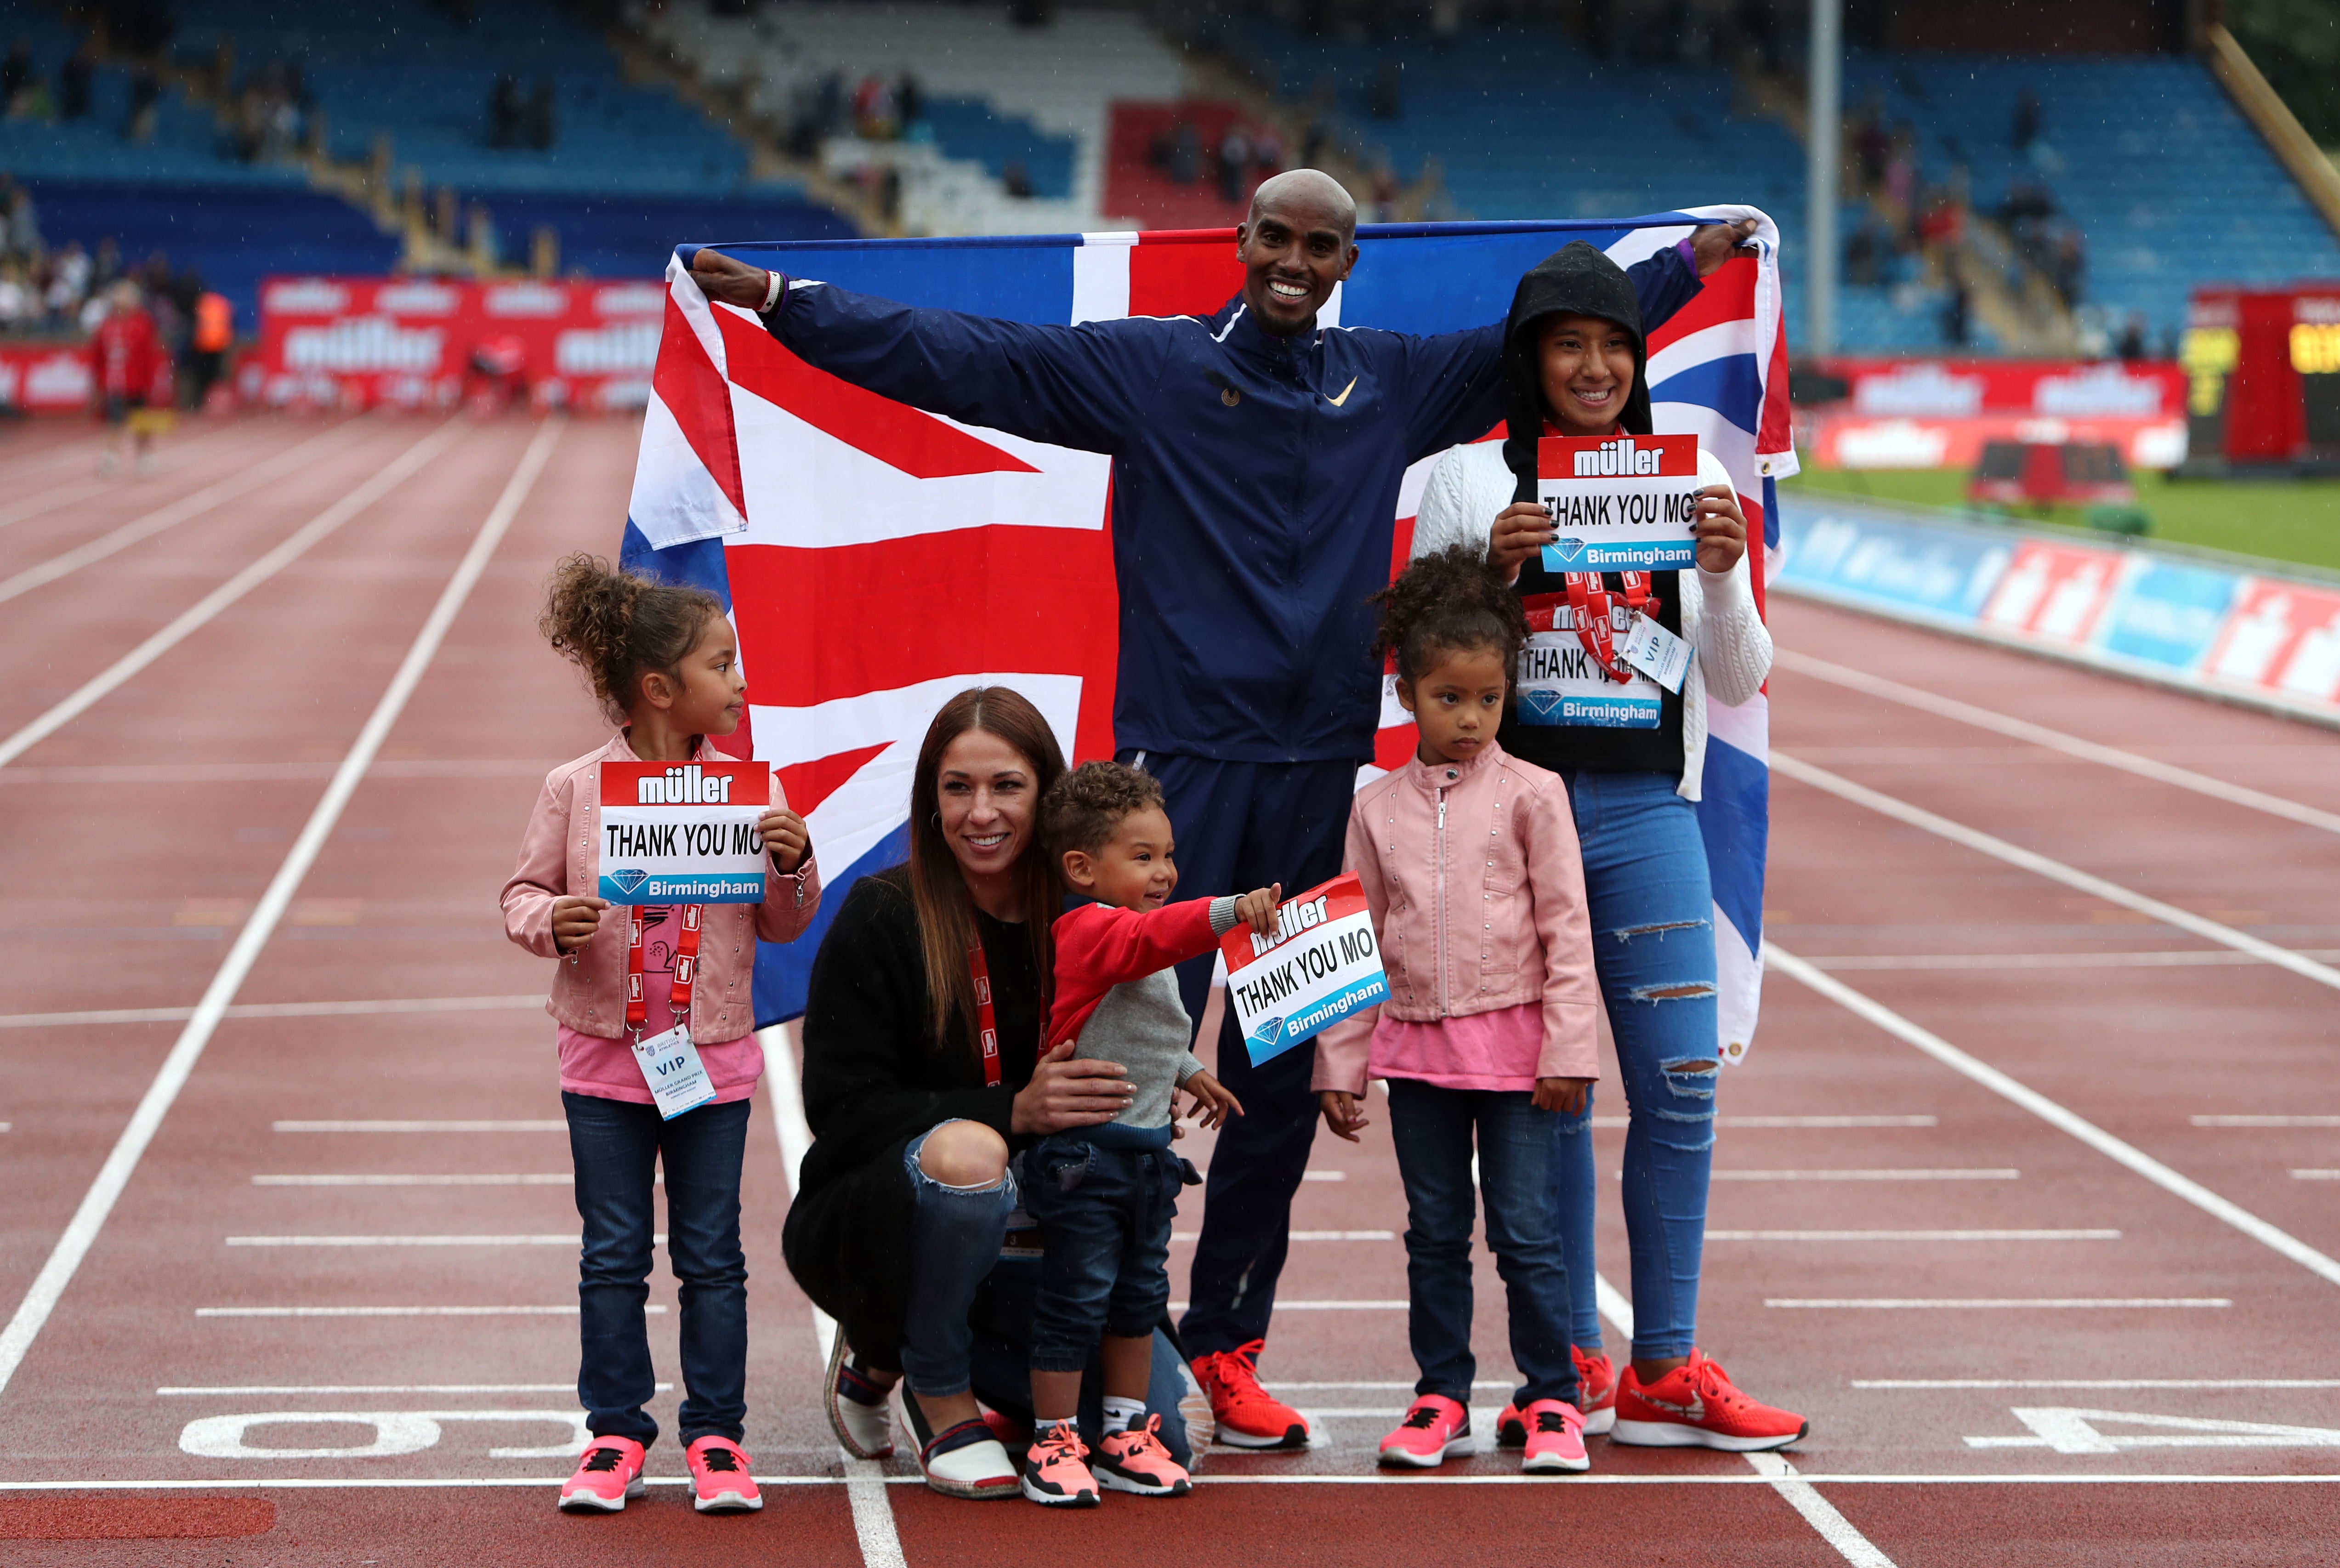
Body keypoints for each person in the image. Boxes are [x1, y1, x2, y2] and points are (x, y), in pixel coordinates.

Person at [689, 177, 1751, 1449]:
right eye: (1275, 239)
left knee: (1276, 1071)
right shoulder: (1155, 368)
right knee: (1103, 1061)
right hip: (1172, 778)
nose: (1294, 262)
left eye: (1319, 245)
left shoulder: (1392, 380)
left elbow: (1538, 341)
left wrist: (1687, 265)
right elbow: (970, 360)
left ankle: (1226, 1342)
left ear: (1348, 259)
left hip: (1316, 783)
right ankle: (988, 1324)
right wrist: (792, 308)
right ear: (1242, 245)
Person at [1410, 241, 1804, 1452]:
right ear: (1530, 359)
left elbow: (1737, 676)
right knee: (1556, 1096)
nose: (1591, 365)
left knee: (1681, 1081)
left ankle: (1666, 1363)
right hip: (1510, 815)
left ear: (1637, 361)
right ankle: (1573, 1348)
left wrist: (1724, 574)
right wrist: (1493, 574)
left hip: (1645, 811)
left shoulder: (1684, 483)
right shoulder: (1474, 480)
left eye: (1611, 344)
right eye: (1567, 343)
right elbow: (1421, 662)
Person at [785, 688, 1204, 1499]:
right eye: (957, 787)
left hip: (1058, 1219)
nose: (982, 811)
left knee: (1163, 1429)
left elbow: (1149, 1042)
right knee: (970, 1154)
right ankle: (928, 1383)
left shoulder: (1099, 916)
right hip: (886, 1215)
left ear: (1048, 795)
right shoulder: (883, 913)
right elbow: (841, 1113)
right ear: (931, 801)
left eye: (1007, 785)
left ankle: (911, 1361)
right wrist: (1012, 1111)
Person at [501, 555, 822, 1514]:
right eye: (723, 664)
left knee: (713, 1253)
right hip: (602, 1061)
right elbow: (522, 890)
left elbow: (783, 923)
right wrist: (543, 919)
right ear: (658, 689)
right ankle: (614, 1432)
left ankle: (717, 1434)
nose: (741, 681)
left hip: (712, 1062)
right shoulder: (575, 789)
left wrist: (794, 864)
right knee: (612, 1251)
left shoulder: (750, 795)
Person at [1314, 543, 1602, 1476]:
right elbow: (1358, 940)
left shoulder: (1535, 794)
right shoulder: (1376, 807)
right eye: (1450, 698)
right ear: (1407, 691)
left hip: (1520, 1059)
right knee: (1434, 1230)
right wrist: (1341, 1065)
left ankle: (1551, 1395)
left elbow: (1568, 930)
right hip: (1418, 1061)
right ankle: (1441, 1394)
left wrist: (1570, 1050)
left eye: (1487, 697)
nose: (1471, 717)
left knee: (1526, 1230)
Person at [1019, 761, 1269, 1506]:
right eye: (1144, 856)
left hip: (1145, 1160)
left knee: (1136, 1297)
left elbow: (1146, 1023)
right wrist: (1229, 910)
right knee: (1074, 1296)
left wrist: (1191, 1071)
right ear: (1081, 867)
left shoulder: (1133, 942)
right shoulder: (1093, 928)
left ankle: (1125, 1432)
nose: (1166, 871)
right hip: (1084, 1160)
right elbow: (1158, 938)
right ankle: (1054, 1435)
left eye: (1167, 854)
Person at [89, 279, 160, 476]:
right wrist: (97, 382)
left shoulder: (143, 324)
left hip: (137, 382)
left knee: (141, 421)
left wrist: (151, 382)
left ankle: (145, 456)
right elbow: (98, 356)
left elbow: (149, 355)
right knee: (114, 421)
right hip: (113, 383)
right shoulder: (106, 326)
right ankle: (111, 457)